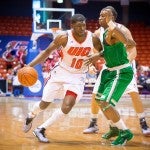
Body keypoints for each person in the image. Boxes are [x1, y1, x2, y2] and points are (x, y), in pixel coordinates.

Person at [23, 14, 103, 143]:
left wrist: (94, 60)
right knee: (44, 104)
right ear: (72, 26)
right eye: (78, 26)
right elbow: (46, 52)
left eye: (84, 25)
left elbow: (103, 52)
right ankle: (31, 115)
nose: (82, 28)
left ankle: (41, 129)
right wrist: (29, 66)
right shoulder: (64, 37)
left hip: (78, 76)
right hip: (60, 72)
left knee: (67, 106)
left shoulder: (93, 38)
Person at [83, 7, 150, 137]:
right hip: (109, 65)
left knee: (133, 93)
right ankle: (93, 122)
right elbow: (95, 51)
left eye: (104, 16)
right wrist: (91, 65)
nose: (100, 18)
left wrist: (124, 64)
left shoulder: (122, 30)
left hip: (124, 64)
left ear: (112, 17)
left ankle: (143, 123)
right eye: (100, 15)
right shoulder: (98, 33)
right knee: (96, 93)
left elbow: (132, 50)